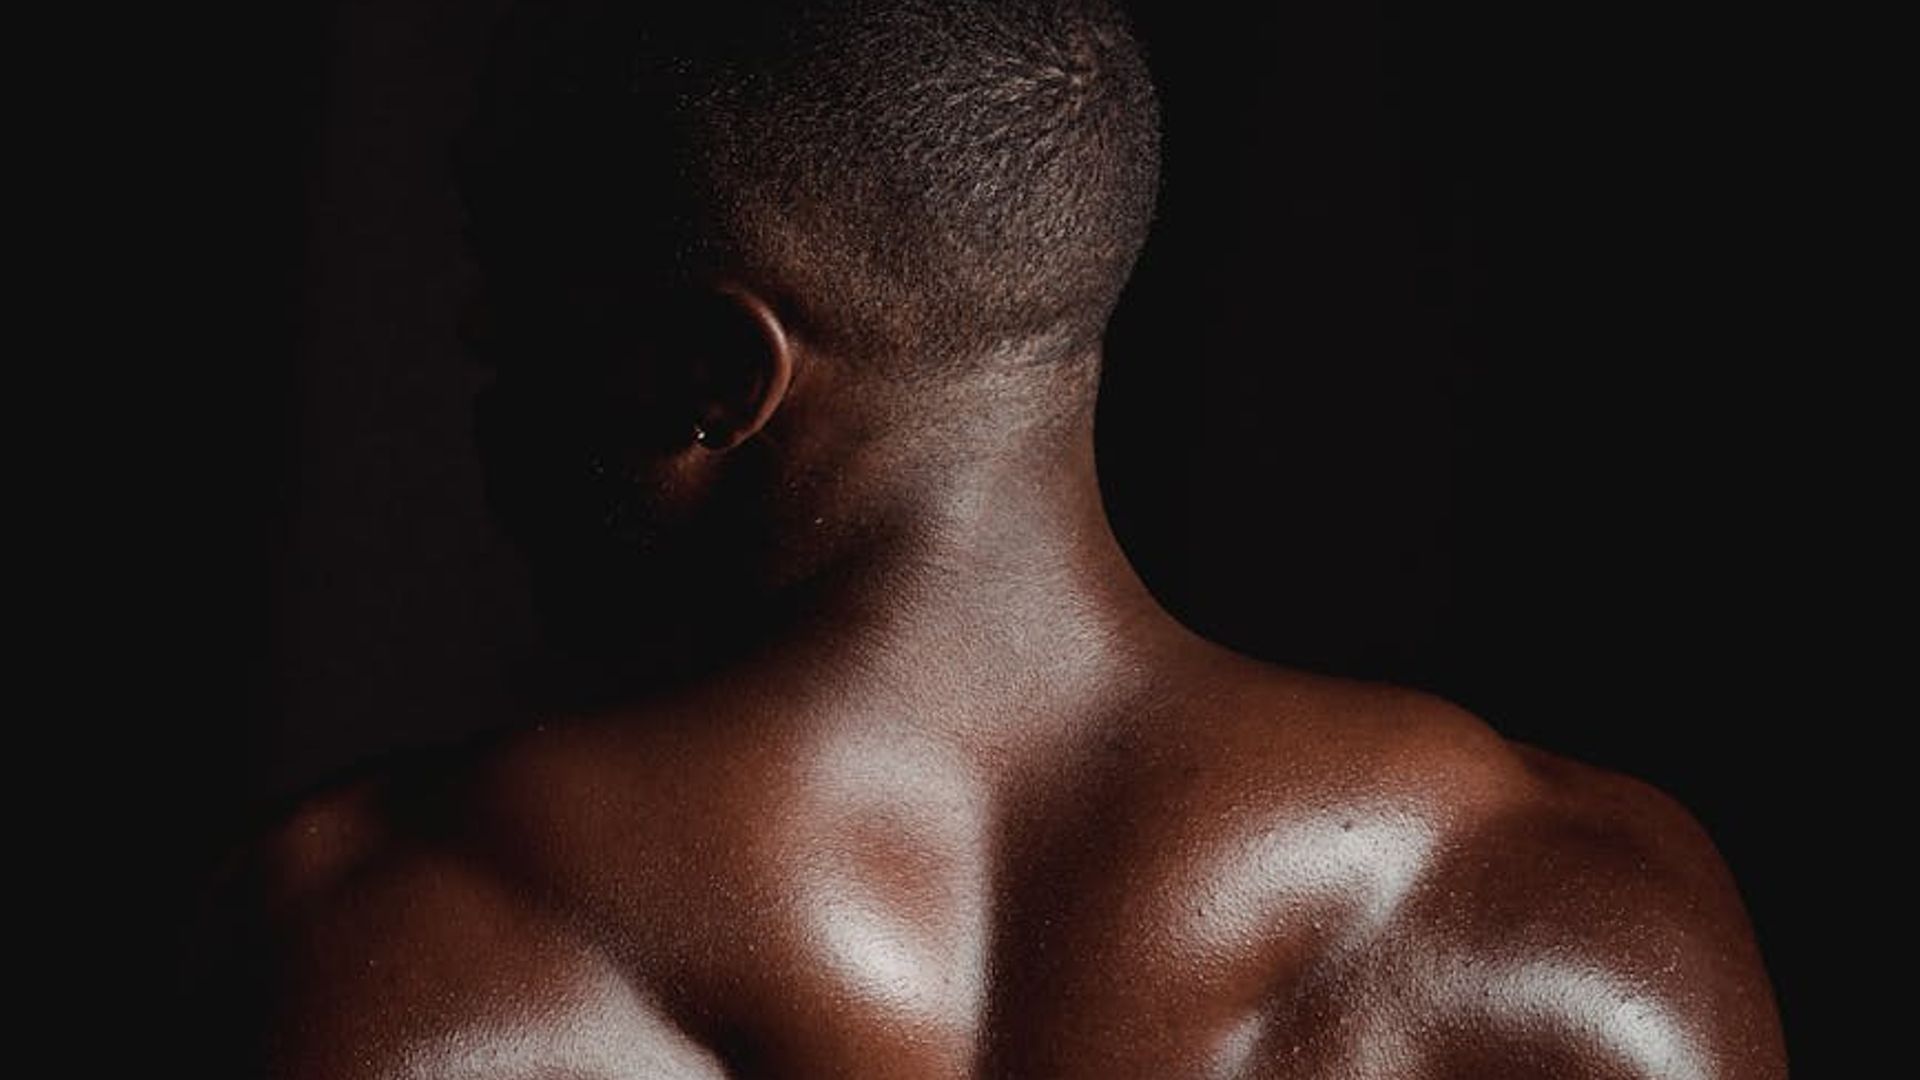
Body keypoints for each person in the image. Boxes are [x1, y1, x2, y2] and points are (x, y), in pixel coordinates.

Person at [188, 1, 1787, 1075]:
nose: (478, 350)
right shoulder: (1561, 924)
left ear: (717, 375)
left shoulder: (359, 945)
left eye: (515, 297)